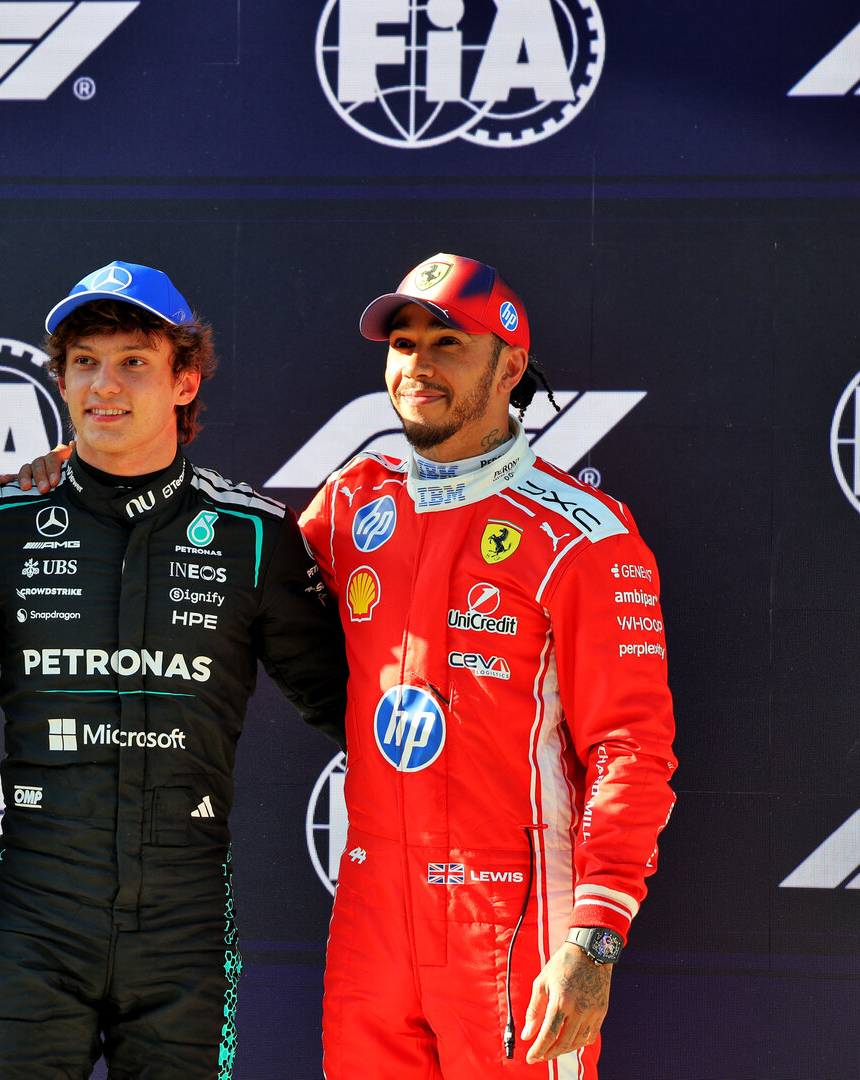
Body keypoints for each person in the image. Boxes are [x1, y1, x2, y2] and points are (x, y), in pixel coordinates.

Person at [0, 262, 349, 1079]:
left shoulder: (253, 535)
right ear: (61, 380)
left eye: (134, 362)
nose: (103, 384)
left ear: (185, 381)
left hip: (184, 927)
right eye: (84, 362)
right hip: (36, 917)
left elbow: (349, 707)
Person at [298, 254, 677, 1078]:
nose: (418, 365)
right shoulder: (353, 502)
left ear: (510, 367)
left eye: (447, 343)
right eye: (403, 344)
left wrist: (595, 938)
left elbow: (632, 751)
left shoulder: (584, 536)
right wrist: (77, 475)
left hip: (510, 918)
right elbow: (237, 576)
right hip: (370, 915)